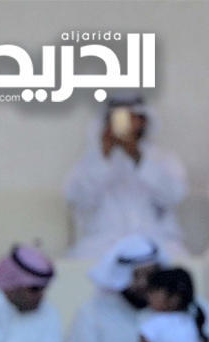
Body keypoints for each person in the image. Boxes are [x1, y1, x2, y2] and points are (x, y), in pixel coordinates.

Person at [65, 95, 188, 261]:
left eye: (132, 117)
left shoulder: (163, 159)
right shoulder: (91, 161)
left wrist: (137, 157)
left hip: (156, 240)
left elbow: (174, 195)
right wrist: (104, 157)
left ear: (143, 121)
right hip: (103, 243)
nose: (125, 123)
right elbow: (79, 199)